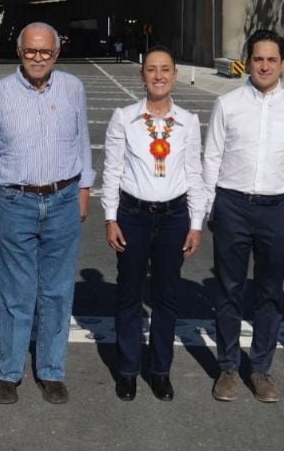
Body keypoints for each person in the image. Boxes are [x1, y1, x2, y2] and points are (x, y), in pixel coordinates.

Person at [0, 21, 94, 405]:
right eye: (31, 51)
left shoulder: (73, 88)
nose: (38, 58)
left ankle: (51, 370)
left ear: (56, 54)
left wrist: (85, 188)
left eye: (45, 52)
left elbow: (82, 141)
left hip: (62, 198)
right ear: (19, 52)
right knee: (15, 292)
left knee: (58, 291)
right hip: (14, 202)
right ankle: (9, 372)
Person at [202, 29, 284, 403]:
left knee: (269, 293)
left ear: (283, 63)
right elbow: (212, 158)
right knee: (229, 290)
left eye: (272, 59)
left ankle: (261, 370)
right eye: (257, 58)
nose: (264, 65)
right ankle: (229, 368)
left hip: (277, 209)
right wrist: (209, 207)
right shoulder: (228, 104)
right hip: (233, 205)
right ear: (247, 61)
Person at [100, 45, 208, 402]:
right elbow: (113, 170)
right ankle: (128, 369)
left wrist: (195, 223)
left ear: (175, 75)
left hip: (174, 217)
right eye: (151, 69)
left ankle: (160, 370)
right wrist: (111, 218)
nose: (158, 76)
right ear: (142, 74)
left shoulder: (189, 122)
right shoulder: (124, 118)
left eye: (165, 69)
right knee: (129, 294)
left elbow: (194, 173)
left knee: (167, 296)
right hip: (133, 216)